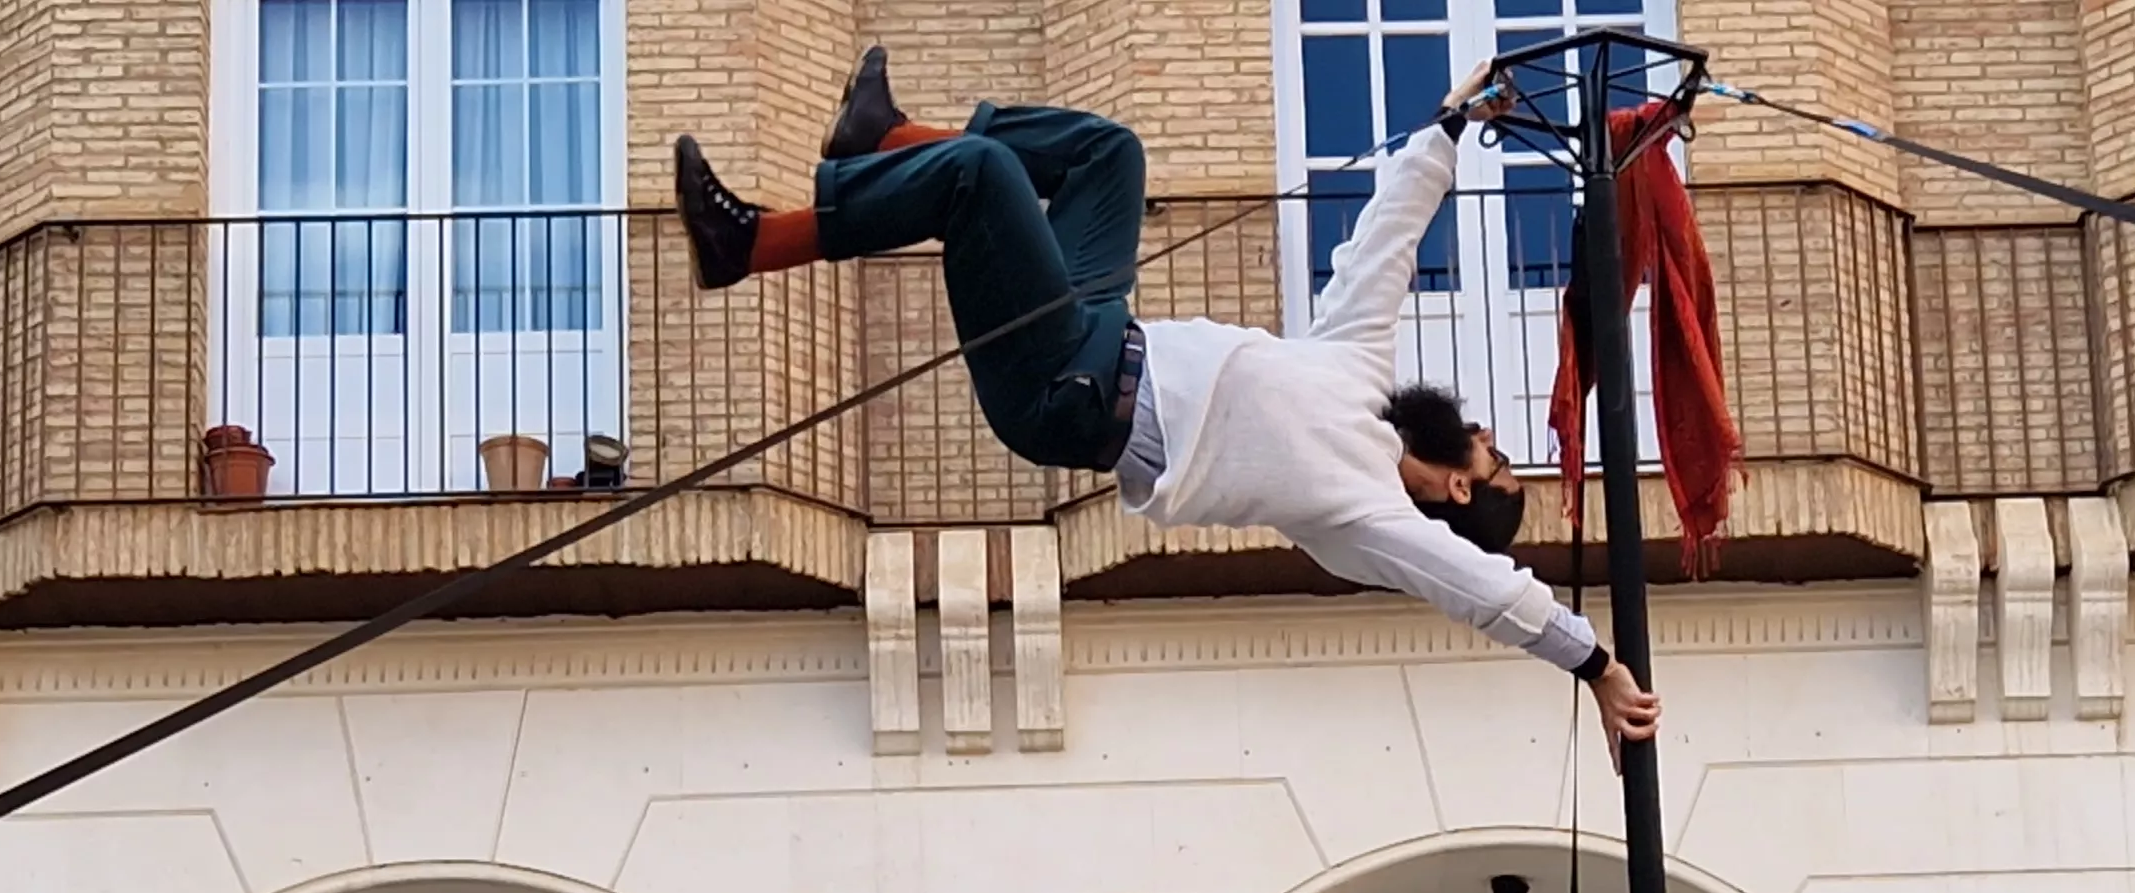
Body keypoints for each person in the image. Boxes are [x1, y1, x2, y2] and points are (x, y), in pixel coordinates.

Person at [673, 50, 1662, 757]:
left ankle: (749, 244)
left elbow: (1485, 593)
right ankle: (885, 139)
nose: (1484, 432)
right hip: (1103, 327)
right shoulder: (1356, 372)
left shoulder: (1361, 515)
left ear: (1454, 491)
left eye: (1488, 458)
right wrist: (1449, 132)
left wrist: (1594, 665)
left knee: (978, 181)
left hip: (1068, 389)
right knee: (1113, 156)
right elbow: (1384, 246)